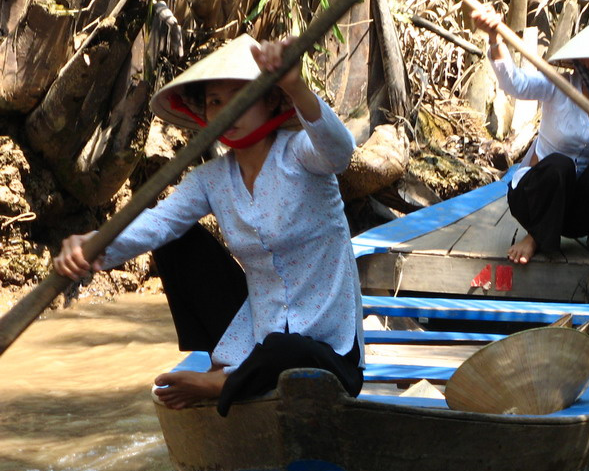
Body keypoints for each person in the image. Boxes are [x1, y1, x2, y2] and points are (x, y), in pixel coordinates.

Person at [52, 34, 364, 414]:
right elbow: (156, 224)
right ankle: (224, 365)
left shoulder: (300, 154)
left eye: (240, 97)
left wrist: (296, 85)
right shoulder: (211, 179)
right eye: (216, 102)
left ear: (270, 100)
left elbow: (340, 152)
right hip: (257, 337)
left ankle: (226, 382)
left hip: (326, 352)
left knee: (289, 349)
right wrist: (94, 245)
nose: (226, 111)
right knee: (175, 239)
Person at [472, 6, 589, 264]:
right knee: (560, 164)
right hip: (536, 201)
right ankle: (536, 237)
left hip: (581, 213)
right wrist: (495, 39)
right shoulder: (558, 84)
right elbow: (515, 83)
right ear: (582, 59)